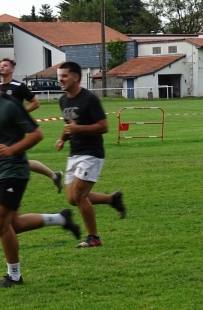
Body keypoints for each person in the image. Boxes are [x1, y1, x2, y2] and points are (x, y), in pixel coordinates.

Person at [0, 61, 81, 289]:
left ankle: (14, 276)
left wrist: (11, 150)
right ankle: (61, 218)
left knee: (0, 221)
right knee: (14, 224)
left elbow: (37, 134)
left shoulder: (10, 105)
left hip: (15, 171)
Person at [55, 61, 126, 248]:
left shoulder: (89, 99)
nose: (60, 80)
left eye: (64, 76)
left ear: (75, 77)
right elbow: (70, 126)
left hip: (92, 153)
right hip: (74, 153)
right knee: (72, 198)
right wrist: (63, 138)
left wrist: (79, 129)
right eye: (59, 76)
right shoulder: (63, 100)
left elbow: (104, 126)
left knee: (79, 195)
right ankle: (112, 199)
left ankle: (93, 237)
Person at [0, 58, 63, 208]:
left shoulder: (18, 86)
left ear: (12, 69)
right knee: (20, 162)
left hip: (13, 131)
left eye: (5, 66)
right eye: (0, 66)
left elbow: (35, 103)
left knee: (10, 162)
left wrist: (19, 115)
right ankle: (54, 175)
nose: (2, 68)